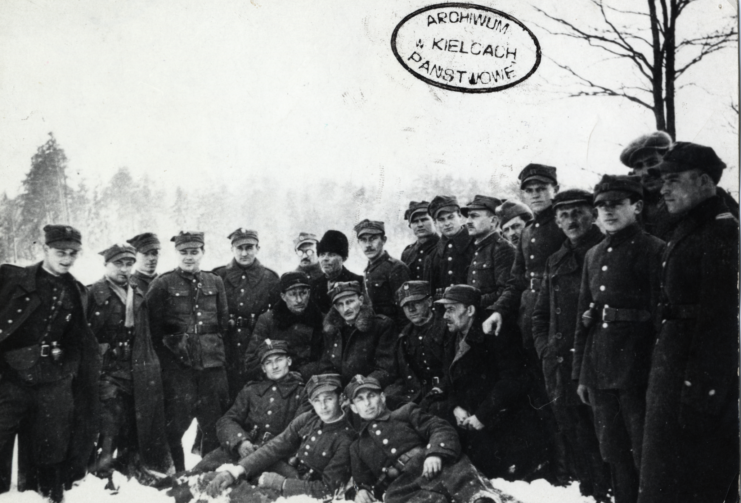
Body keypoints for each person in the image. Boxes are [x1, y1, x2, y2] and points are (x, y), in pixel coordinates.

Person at [639, 143, 739, 503]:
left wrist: (701, 394)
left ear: (703, 181)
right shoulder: (689, 225)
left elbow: (722, 322)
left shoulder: (722, 232)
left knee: (692, 479)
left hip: (694, 382)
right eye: (663, 180)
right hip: (674, 369)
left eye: (673, 180)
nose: (663, 189)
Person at [572, 175, 665, 503]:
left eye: (616, 204)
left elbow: (661, 318)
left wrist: (659, 374)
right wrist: (582, 375)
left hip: (638, 370)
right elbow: (585, 319)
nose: (607, 212)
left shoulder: (654, 249)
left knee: (645, 453)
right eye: (601, 206)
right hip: (600, 370)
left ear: (637, 206)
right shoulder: (593, 255)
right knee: (613, 452)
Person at [0, 225, 100, 502]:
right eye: (60, 252)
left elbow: (77, 338)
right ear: (44, 249)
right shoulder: (11, 278)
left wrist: (68, 368)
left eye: (72, 254)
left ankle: (49, 495)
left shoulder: (77, 291)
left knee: (53, 443)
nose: (66, 259)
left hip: (53, 378)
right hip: (10, 376)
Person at [482, 164, 568, 484]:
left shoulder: (562, 224)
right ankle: (559, 472)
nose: (536, 195)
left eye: (541, 188)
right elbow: (517, 281)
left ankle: (576, 474)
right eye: (529, 190)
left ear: (554, 189)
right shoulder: (530, 234)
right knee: (544, 402)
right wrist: (499, 311)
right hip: (531, 328)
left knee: (566, 403)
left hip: (560, 325)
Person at [531, 190, 610, 501]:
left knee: (605, 435)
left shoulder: (605, 251)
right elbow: (540, 315)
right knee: (575, 433)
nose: (570, 220)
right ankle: (591, 490)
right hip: (561, 366)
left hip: (598, 364)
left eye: (577, 212)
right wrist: (546, 350)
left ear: (592, 214)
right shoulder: (556, 259)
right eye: (562, 215)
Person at [431, 285, 546, 480]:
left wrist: (482, 415)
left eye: (450, 309)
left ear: (470, 310)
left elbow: (513, 381)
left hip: (505, 424)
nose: (444, 316)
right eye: (444, 310)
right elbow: (449, 381)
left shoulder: (497, 333)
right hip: (473, 424)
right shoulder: (453, 338)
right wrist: (455, 407)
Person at [146, 231, 230, 472]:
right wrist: (169, 362)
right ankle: (178, 474)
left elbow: (223, 323)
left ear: (202, 252)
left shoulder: (215, 282)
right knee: (175, 425)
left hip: (212, 366)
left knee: (214, 425)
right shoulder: (163, 283)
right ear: (176, 253)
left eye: (194, 252)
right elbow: (153, 330)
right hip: (179, 369)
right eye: (184, 252)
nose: (189, 257)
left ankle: (207, 473)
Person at [347, 374, 499, 503]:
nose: (367, 403)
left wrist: (436, 453)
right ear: (354, 407)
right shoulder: (357, 447)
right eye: (360, 399)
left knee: (467, 486)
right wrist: (361, 490)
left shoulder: (406, 412)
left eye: (371, 396)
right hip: (405, 487)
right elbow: (363, 480)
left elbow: (440, 428)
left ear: (382, 397)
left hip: (435, 466)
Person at [204, 374, 356, 501]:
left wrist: (281, 483)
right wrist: (235, 472)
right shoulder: (308, 419)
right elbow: (276, 446)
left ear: (341, 398)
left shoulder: (347, 439)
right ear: (311, 402)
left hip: (305, 495)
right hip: (288, 476)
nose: (323, 406)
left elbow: (328, 489)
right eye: (317, 400)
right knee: (215, 486)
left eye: (328, 399)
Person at [87, 243, 170, 476]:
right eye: (118, 264)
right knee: (109, 421)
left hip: (134, 367)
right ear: (106, 264)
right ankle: (100, 471)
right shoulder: (94, 293)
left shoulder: (139, 293)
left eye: (128, 264)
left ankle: (130, 467)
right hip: (107, 369)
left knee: (134, 420)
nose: (124, 269)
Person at [191, 339, 307, 473]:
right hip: (245, 450)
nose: (275, 366)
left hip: (277, 456)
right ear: (263, 368)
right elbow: (226, 421)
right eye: (269, 363)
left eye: (279, 360)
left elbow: (297, 434)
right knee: (198, 473)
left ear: (289, 361)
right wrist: (240, 442)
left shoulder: (302, 393)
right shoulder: (251, 391)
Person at [620, 132, 739, 240]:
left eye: (652, 163)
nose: (646, 172)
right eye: (639, 166)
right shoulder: (632, 205)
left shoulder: (704, 194)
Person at [213, 228, 280, 401]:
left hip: (257, 349)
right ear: (232, 249)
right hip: (226, 349)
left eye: (249, 247)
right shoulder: (218, 276)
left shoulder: (270, 278)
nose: (244, 253)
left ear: (258, 248)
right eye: (239, 248)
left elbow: (276, 319)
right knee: (224, 399)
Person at [244, 272, 323, 381]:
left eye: (303, 293)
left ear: (309, 293)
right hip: (276, 382)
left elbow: (329, 360)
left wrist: (303, 373)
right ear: (283, 296)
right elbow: (252, 361)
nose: (299, 300)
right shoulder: (268, 320)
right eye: (292, 294)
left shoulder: (320, 319)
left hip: (312, 381)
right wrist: (282, 373)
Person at [318, 281, 396, 388]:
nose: (346, 308)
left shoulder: (381, 326)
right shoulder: (333, 331)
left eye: (350, 302)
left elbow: (385, 369)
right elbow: (327, 366)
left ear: (361, 300)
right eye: (340, 304)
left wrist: (363, 384)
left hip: (369, 389)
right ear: (335, 308)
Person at [384, 281, 450, 407]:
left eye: (416, 303)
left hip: (445, 393)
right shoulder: (404, 337)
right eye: (406, 305)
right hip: (417, 394)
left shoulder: (447, 329)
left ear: (429, 302)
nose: (411, 309)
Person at [354, 219, 411, 328]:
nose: (368, 245)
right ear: (358, 242)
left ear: (384, 240)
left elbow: (405, 309)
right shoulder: (369, 269)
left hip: (393, 331)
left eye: (373, 239)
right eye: (363, 240)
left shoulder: (396, 268)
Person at [461, 195, 515, 307]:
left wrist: (470, 303)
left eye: (474, 216)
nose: (468, 222)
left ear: (493, 221)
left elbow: (505, 292)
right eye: (468, 217)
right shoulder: (478, 248)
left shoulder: (503, 249)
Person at [423, 195, 475, 300]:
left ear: (460, 216)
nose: (447, 223)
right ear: (435, 223)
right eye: (441, 219)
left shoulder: (476, 244)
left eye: (451, 217)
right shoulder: (433, 255)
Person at [310, 230, 365, 315]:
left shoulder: (359, 281)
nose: (325, 258)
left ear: (344, 258)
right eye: (322, 254)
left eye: (331, 254)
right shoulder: (314, 285)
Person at [400, 201, 440, 281]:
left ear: (435, 221)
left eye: (424, 220)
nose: (420, 225)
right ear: (410, 226)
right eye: (415, 221)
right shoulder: (407, 253)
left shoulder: (443, 247)